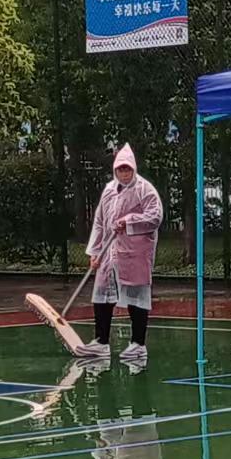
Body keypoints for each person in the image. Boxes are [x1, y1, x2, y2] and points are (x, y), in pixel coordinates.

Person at [76, 144, 164, 366]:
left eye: (127, 169)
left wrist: (129, 221)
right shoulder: (109, 190)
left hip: (135, 252)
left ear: (133, 169)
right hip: (110, 250)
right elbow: (99, 222)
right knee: (102, 292)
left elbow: (155, 217)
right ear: (115, 170)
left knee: (136, 293)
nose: (124, 173)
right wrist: (95, 251)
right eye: (120, 169)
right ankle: (101, 341)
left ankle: (138, 344)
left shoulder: (145, 190)